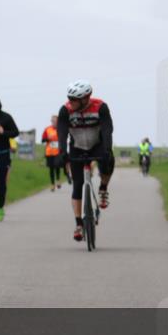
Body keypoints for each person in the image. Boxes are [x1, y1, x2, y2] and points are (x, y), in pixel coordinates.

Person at [57, 80, 114, 242]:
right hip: (77, 146)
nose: (70, 102)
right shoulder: (65, 110)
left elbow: (107, 129)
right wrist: (62, 152)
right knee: (77, 184)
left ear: (85, 98)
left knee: (108, 162)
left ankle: (103, 188)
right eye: (69, 98)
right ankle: (78, 224)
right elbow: (61, 132)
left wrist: (108, 149)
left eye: (74, 99)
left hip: (97, 144)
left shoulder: (100, 107)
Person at [42, 115, 64, 191]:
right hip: (49, 152)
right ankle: (52, 184)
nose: (53, 122)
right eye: (52, 121)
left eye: (55, 121)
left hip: (58, 152)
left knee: (57, 166)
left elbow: (63, 138)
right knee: (51, 168)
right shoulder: (47, 129)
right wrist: (48, 139)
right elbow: (43, 140)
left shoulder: (60, 129)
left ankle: (58, 180)